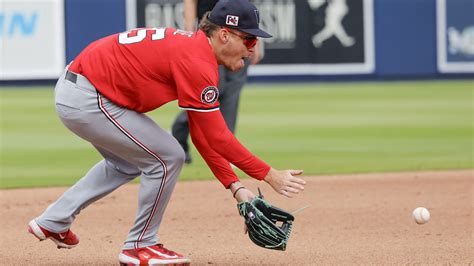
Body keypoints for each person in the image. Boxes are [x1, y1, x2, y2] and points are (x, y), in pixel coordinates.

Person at [27, 0, 306, 265]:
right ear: (224, 34)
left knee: (126, 164)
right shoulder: (197, 62)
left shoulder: (195, 51)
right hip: (88, 96)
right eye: (249, 39)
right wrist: (269, 175)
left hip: (82, 89)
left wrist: (237, 188)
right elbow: (219, 137)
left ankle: (54, 221)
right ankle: (140, 246)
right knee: (167, 156)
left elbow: (203, 137)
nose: (252, 48)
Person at [172, 0, 263, 164]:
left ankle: (227, 153)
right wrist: (189, 29)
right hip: (212, 35)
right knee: (211, 91)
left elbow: (248, 5)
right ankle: (179, 132)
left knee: (232, 95)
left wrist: (254, 41)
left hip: (240, 36)